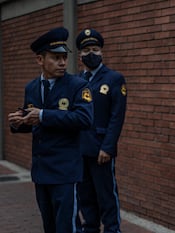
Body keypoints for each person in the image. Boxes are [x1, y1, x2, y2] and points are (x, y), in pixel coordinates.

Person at [7, 27, 93, 233]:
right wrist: (19, 122)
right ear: (40, 60)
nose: (63, 63)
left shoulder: (78, 86)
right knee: (49, 226)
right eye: (56, 58)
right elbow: (33, 120)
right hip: (41, 170)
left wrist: (44, 115)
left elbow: (84, 118)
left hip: (65, 171)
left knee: (68, 227)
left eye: (64, 57)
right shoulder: (32, 87)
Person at [76, 28, 127, 233]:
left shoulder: (114, 78)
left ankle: (112, 230)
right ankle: (91, 228)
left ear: (102, 52)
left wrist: (108, 147)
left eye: (96, 49)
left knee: (106, 196)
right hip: (80, 149)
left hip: (101, 150)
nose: (92, 53)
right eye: (87, 49)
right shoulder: (76, 80)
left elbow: (117, 117)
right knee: (85, 195)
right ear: (80, 55)